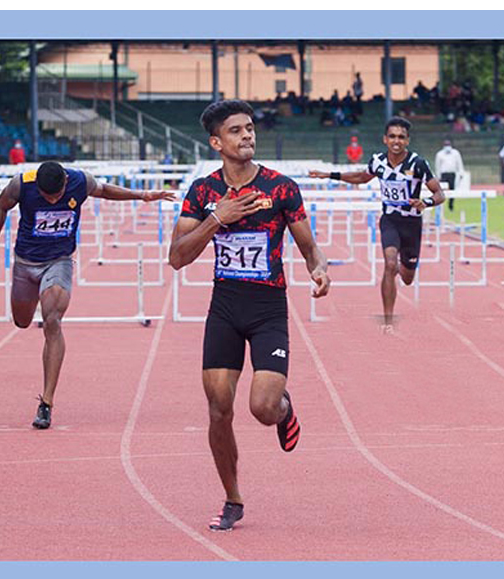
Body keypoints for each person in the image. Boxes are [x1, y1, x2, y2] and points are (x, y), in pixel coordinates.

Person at [168, 100, 330, 531]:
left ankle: (284, 406)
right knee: (219, 409)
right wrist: (216, 220)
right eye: (236, 131)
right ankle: (233, 499)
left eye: (250, 129)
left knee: (261, 407)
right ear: (216, 142)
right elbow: (177, 258)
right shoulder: (203, 193)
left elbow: (307, 244)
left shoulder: (281, 188)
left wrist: (318, 266)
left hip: (267, 308)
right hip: (225, 306)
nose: (247, 136)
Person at [0, 162, 174, 430]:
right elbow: (0, 206)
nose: (54, 200)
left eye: (57, 196)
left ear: (65, 185)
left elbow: (104, 190)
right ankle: (32, 311)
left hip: (59, 260)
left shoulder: (80, 181)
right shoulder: (21, 184)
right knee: (21, 321)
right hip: (25, 262)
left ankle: (46, 403)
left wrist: (141, 195)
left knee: (52, 320)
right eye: (48, 198)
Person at [309, 117, 446, 332]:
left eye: (401, 137)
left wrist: (425, 202)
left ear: (407, 140)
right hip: (390, 220)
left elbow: (440, 194)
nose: (396, 141)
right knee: (389, 264)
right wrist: (330, 175)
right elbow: (361, 177)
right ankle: (388, 320)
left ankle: (404, 267)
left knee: (408, 277)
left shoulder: (418, 164)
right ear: (385, 139)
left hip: (411, 224)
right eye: (392, 136)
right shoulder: (378, 162)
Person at [434, 139, 464, 211]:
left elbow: (459, 163)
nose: (447, 147)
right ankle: (441, 205)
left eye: (448, 145)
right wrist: (438, 176)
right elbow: (437, 166)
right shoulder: (440, 154)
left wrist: (461, 172)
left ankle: (451, 205)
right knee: (441, 191)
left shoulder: (456, 153)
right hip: (443, 174)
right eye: (446, 145)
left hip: (452, 174)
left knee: (452, 189)